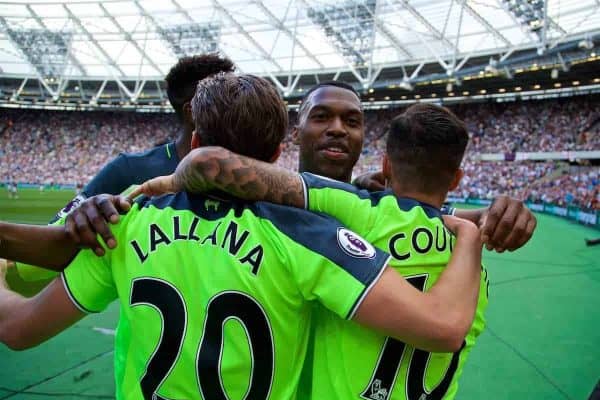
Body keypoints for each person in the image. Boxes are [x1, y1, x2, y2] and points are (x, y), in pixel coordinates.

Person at [0, 73, 483, 400]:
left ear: (191, 142)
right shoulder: (312, 236)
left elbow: (18, 328)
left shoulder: (129, 220)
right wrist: (469, 236)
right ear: (277, 150)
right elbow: (440, 325)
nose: (337, 129)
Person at [131, 103, 492, 400]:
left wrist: (174, 182)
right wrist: (470, 227)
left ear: (385, 166)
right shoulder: (473, 272)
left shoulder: (362, 213)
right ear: (457, 178)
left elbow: (211, 164)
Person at [60, 82, 535, 261]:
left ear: (367, 139)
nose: (337, 130)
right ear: (296, 132)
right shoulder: (257, 200)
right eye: (321, 117)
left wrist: (502, 212)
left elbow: (440, 218)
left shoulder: (378, 202)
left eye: (352, 121)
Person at [12, 54, 235, 280]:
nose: (241, 103)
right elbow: (58, 238)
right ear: (192, 112)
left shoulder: (252, 174)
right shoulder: (130, 170)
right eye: (230, 97)